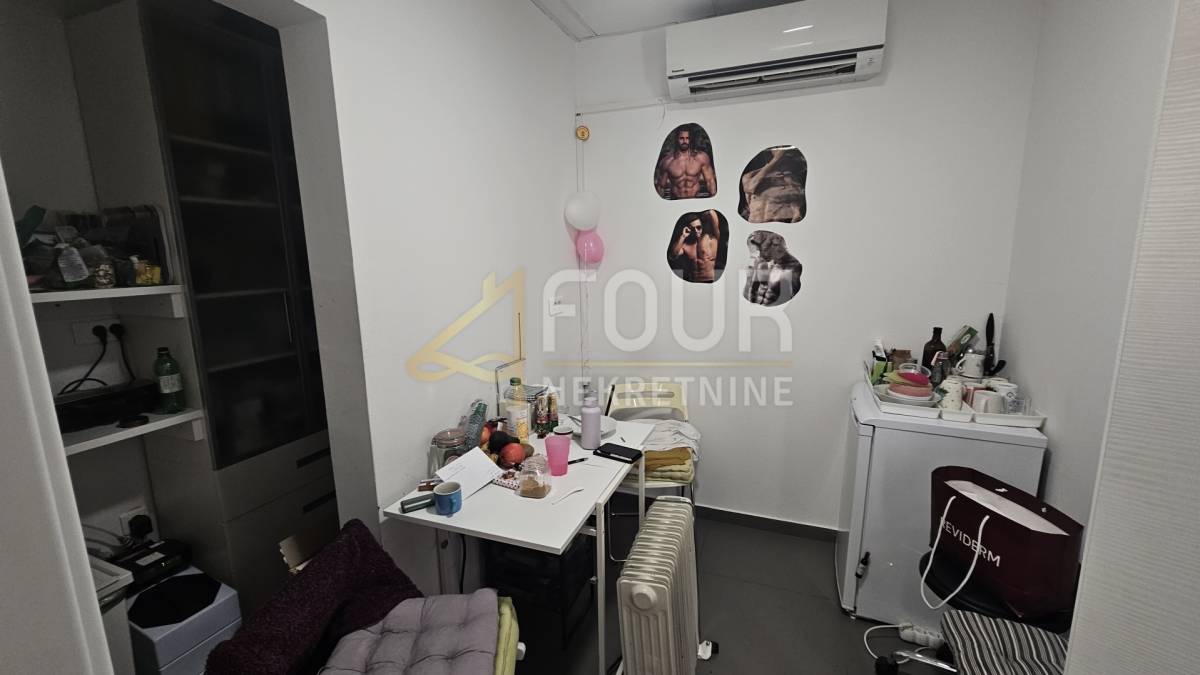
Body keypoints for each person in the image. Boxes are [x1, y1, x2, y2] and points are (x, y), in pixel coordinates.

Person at [739, 146, 807, 223]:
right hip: (757, 223)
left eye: (783, 148)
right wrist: (776, 159)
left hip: (780, 224)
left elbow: (796, 205)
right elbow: (749, 188)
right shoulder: (752, 175)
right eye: (778, 148)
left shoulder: (791, 179)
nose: (780, 150)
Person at [655, 126, 717, 199]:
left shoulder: (701, 158)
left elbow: (710, 182)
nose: (685, 141)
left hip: (695, 200)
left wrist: (714, 201)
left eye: (687, 138)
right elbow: (661, 187)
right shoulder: (667, 162)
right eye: (681, 138)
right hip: (676, 201)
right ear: (677, 139)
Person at [743, 230, 802, 306]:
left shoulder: (794, 268)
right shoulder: (761, 262)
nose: (760, 255)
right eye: (759, 250)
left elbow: (792, 299)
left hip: (777, 309)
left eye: (763, 250)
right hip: (756, 308)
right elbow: (753, 289)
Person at [668, 210, 725, 283]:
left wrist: (700, 211)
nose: (696, 231)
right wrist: (683, 236)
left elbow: (712, 213)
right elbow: (673, 255)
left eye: (698, 227)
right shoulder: (685, 245)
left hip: (710, 280)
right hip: (692, 282)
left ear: (702, 227)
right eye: (692, 228)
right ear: (688, 229)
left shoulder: (711, 238)